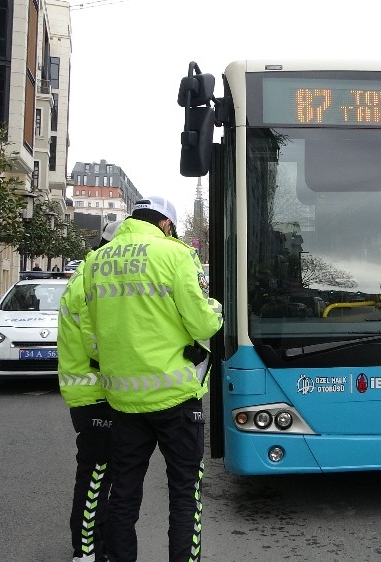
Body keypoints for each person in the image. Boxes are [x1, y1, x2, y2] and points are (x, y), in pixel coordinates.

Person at [80, 196, 223, 562]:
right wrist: (216, 310)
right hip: (175, 398)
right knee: (184, 494)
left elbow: (91, 335)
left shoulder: (96, 262)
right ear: (165, 224)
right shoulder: (173, 255)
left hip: (123, 400)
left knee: (123, 495)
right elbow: (203, 323)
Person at [58, 218, 124, 562]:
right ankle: (85, 551)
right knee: (96, 477)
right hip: (95, 395)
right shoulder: (91, 278)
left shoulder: (89, 273)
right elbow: (95, 342)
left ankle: (95, 547)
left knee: (101, 475)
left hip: (93, 392)